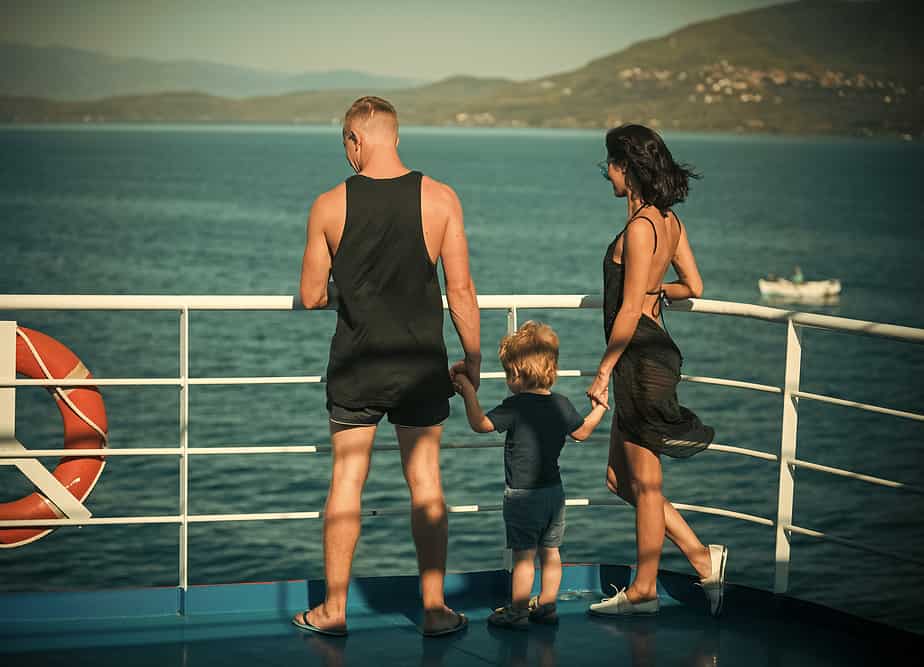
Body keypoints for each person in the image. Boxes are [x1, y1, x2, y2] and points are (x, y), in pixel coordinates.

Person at [294, 96, 481, 637]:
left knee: (347, 483)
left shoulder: (329, 205)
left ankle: (331, 611)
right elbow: (461, 291)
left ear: (355, 140)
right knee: (425, 484)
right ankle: (434, 609)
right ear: (395, 137)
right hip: (422, 364)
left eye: (345, 145)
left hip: (356, 365)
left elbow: (310, 295)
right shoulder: (441, 198)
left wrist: (354, 286)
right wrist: (470, 357)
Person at [585, 124, 726, 617]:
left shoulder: (641, 228)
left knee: (644, 485)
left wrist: (602, 371)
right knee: (618, 480)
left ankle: (643, 589)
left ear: (627, 167)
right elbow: (696, 285)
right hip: (649, 355)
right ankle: (701, 556)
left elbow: (625, 312)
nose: (608, 175)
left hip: (638, 359)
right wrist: (658, 291)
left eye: (611, 166)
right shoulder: (670, 223)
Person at [453, 321, 607, 629]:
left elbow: (480, 424)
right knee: (551, 552)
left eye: (509, 373)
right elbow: (583, 433)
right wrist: (600, 408)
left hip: (523, 495)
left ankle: (518, 612)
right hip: (555, 493)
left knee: (524, 556)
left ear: (518, 374)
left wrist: (468, 392)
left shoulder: (516, 406)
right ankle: (547, 605)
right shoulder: (561, 404)